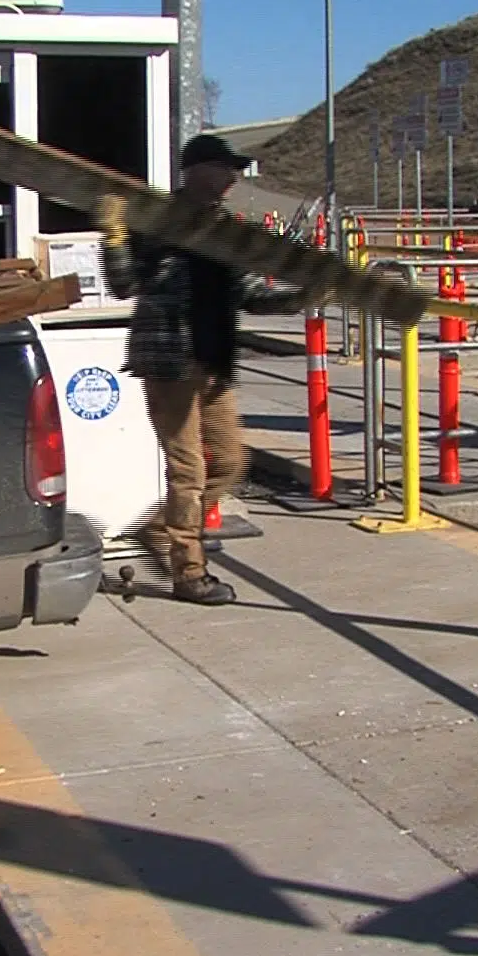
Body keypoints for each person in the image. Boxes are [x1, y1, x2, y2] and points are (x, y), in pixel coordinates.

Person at [101, 133, 311, 605]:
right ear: (195, 170)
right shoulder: (155, 222)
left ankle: (162, 529)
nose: (234, 176)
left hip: (211, 361)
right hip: (170, 360)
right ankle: (189, 573)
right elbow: (120, 285)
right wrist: (114, 236)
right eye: (224, 167)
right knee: (188, 470)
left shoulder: (228, 230)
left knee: (231, 462)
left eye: (236, 168)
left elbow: (249, 293)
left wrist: (300, 297)